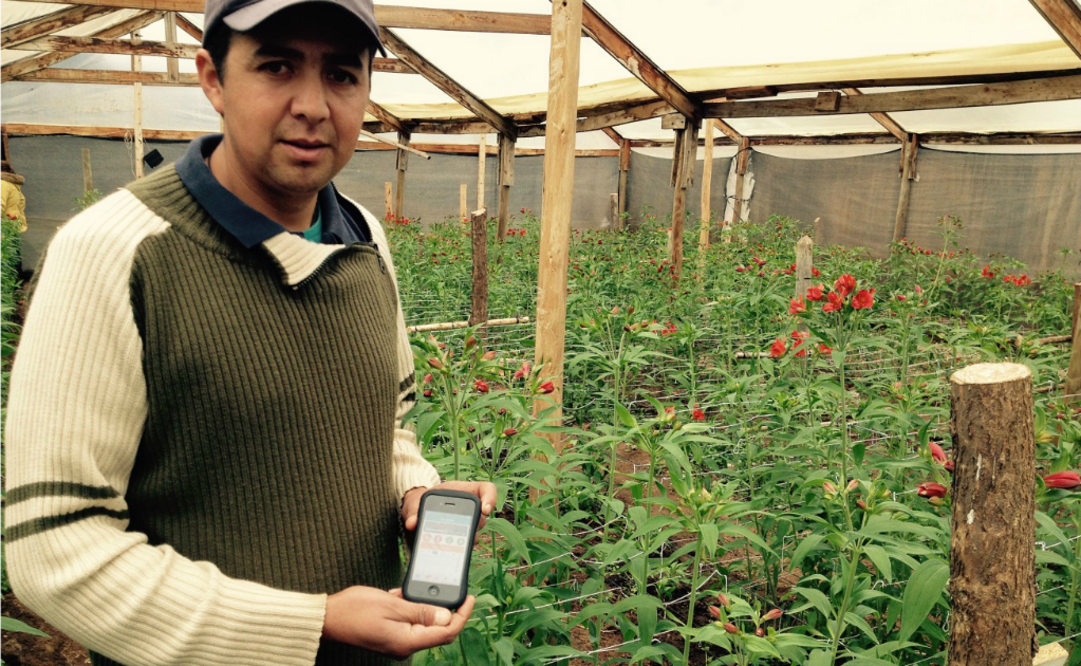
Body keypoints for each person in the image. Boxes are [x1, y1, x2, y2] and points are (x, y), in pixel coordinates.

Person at [3, 0, 496, 664]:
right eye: (276, 66)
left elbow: (385, 426)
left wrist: (413, 489)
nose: (314, 105)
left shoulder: (365, 240)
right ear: (212, 79)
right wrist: (311, 623)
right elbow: (56, 546)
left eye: (343, 75)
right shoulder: (114, 251)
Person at [0, 165, 26, 231]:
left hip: (3, 228)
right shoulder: (14, 186)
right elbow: (21, 204)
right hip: (11, 226)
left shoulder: (2, 184)